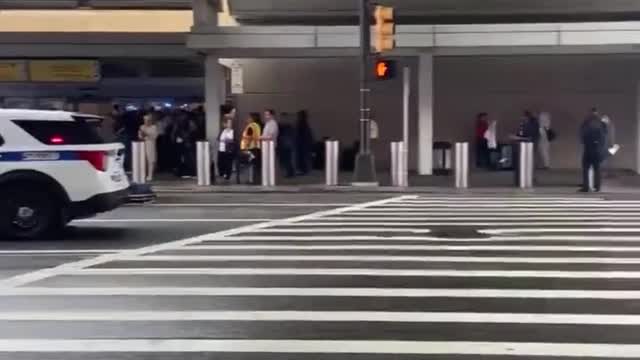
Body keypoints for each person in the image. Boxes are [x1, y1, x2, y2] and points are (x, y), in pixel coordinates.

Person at [579, 108, 608, 192]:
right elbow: (604, 136)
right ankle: (597, 187)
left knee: (585, 168)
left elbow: (582, 133)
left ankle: (586, 186)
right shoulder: (602, 123)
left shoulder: (586, 122)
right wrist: (602, 147)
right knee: (597, 169)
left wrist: (584, 142)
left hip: (588, 148)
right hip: (597, 149)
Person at [240, 113, 262, 184]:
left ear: (252, 119)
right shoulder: (257, 126)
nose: (247, 119)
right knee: (255, 164)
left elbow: (249, 138)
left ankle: (251, 180)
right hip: (256, 147)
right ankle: (256, 179)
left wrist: (246, 147)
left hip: (251, 148)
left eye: (248, 118)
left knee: (251, 164)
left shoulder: (250, 126)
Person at [138, 113, 159, 181]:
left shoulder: (154, 127)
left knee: (150, 161)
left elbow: (155, 136)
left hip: (150, 145)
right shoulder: (142, 127)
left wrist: (147, 134)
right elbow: (139, 136)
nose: (146, 121)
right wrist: (142, 135)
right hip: (142, 145)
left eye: (148, 120)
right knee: (143, 160)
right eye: (145, 120)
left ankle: (150, 175)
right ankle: (143, 174)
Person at [295, 110, 314, 175]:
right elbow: (308, 134)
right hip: (304, 143)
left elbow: (299, 134)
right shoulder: (304, 123)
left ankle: (302, 169)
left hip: (301, 143)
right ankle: (304, 169)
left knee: (301, 157)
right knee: (303, 157)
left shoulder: (301, 123)